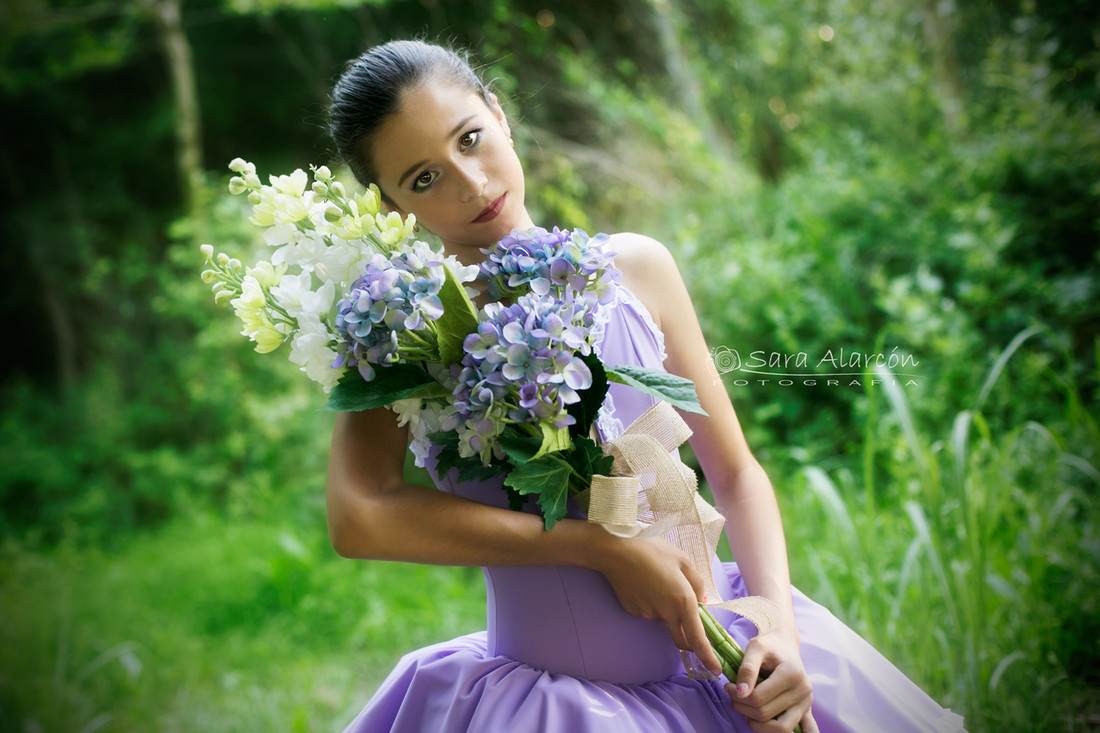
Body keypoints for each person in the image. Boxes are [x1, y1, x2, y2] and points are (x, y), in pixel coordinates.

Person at [325, 39, 966, 733]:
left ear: (500, 115)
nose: (472, 184)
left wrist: (777, 624)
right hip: (559, 707)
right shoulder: (408, 331)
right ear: (388, 205)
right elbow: (360, 515)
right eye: (424, 178)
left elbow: (736, 471)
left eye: (472, 139)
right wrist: (594, 546)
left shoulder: (637, 268)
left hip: (735, 660)